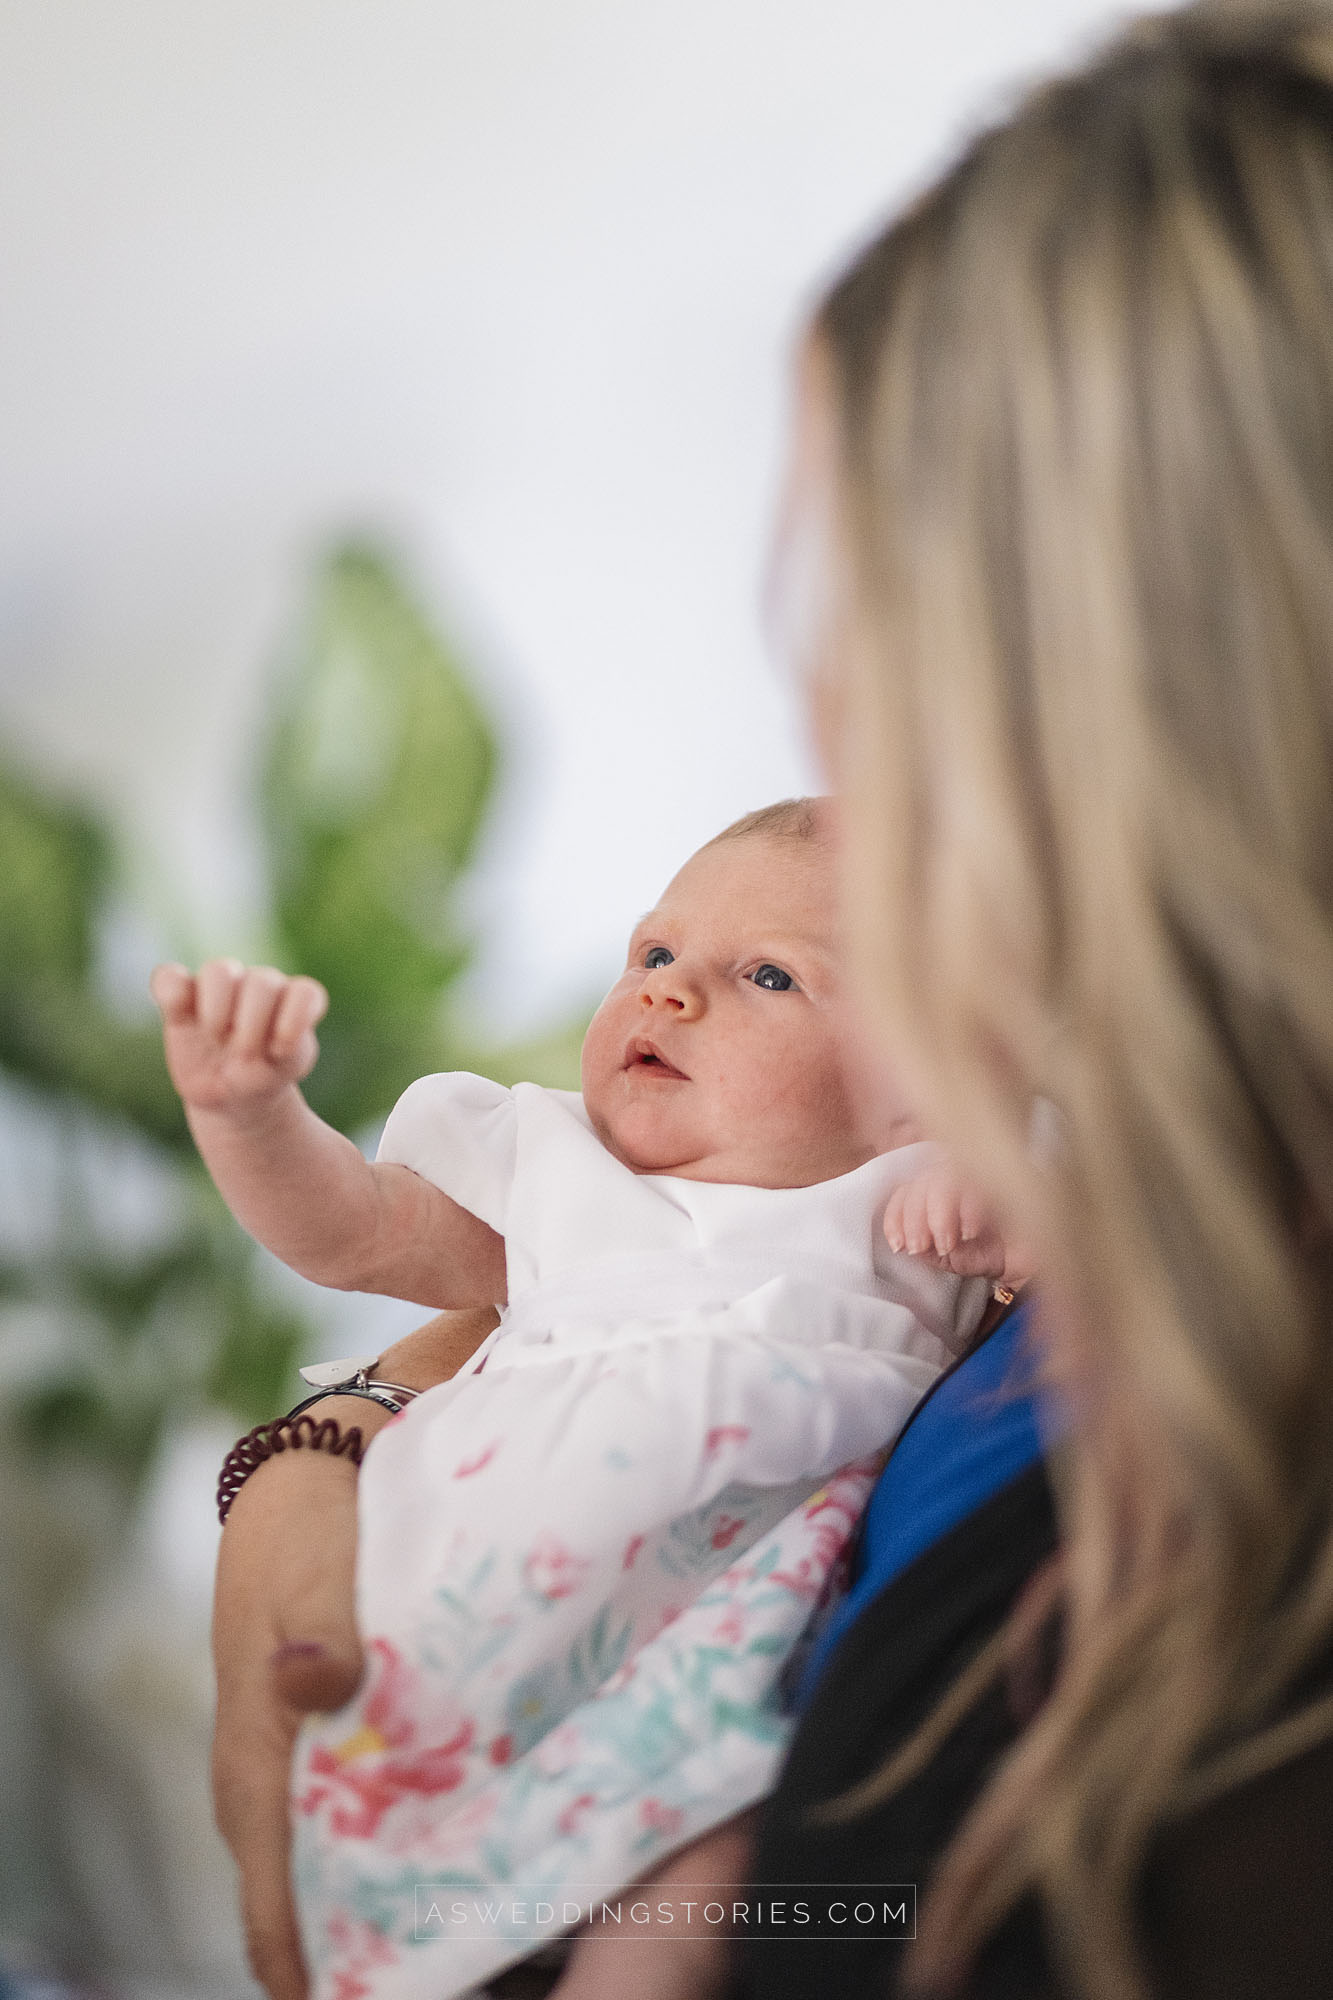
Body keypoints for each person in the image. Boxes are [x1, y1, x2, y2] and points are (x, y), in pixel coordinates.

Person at [733, 3, 1333, 1997]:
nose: (822, 746)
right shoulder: (1117, 1247)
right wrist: (323, 1451)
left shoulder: (1232, 1751)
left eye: (864, 637)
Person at [154, 802, 1013, 1998]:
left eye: (768, 973)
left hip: (708, 1659)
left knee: (696, 1881)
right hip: (455, 1612)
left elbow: (1116, 1266)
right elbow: (352, 1230)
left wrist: (1011, 1193)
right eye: (653, 953)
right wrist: (247, 1114)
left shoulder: (918, 1201)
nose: (669, 992)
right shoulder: (553, 1169)